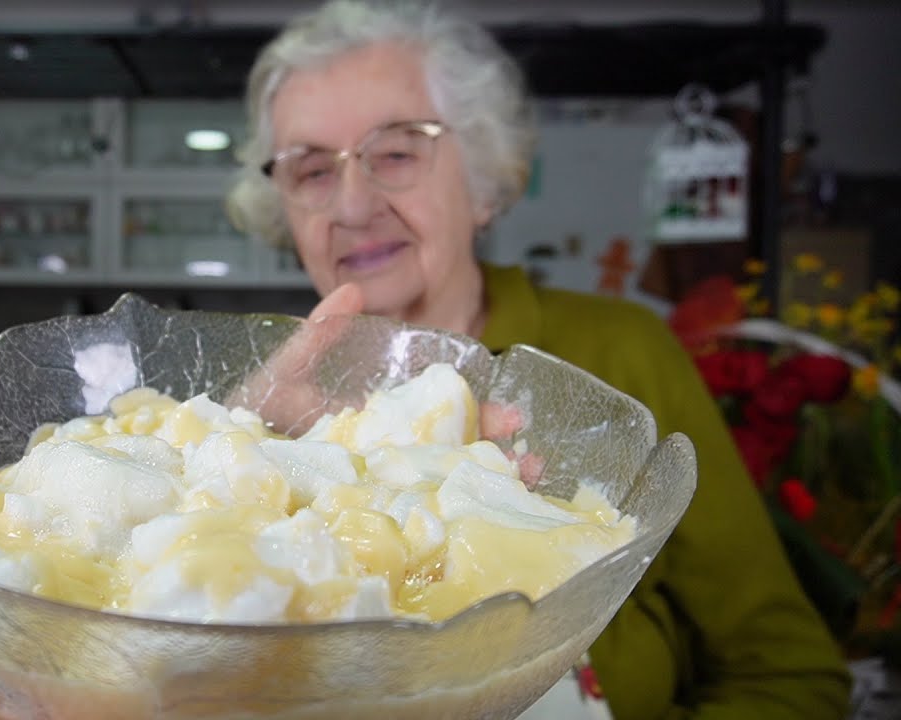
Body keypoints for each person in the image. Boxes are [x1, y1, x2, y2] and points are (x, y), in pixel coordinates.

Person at [224, 1, 851, 718]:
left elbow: (790, 675)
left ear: (484, 180)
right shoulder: (248, 426)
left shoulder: (622, 354)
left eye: (396, 153)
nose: (353, 203)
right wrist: (231, 483)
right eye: (310, 171)